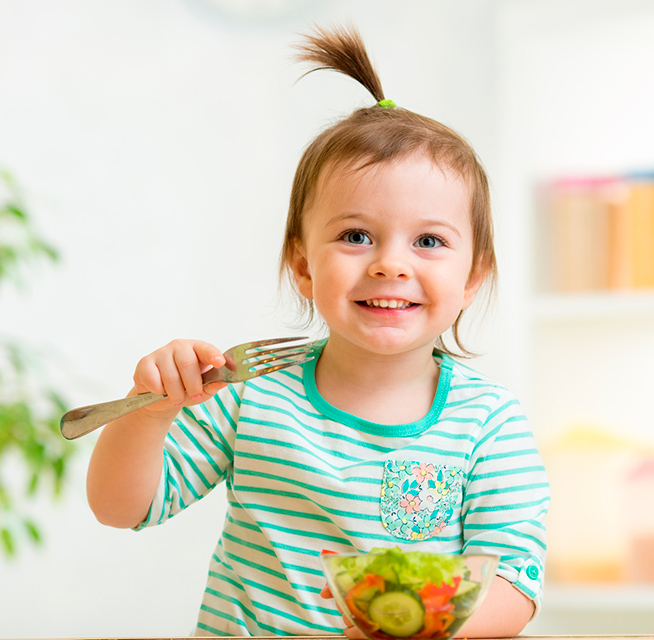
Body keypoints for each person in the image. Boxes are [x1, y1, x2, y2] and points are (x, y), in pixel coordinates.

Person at [86, 24, 549, 638]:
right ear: (304, 265)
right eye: (356, 236)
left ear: (472, 278)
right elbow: (123, 508)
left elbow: (515, 583)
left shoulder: (490, 424)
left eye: (429, 241)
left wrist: (423, 631)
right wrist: (147, 412)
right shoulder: (249, 392)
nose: (390, 263)